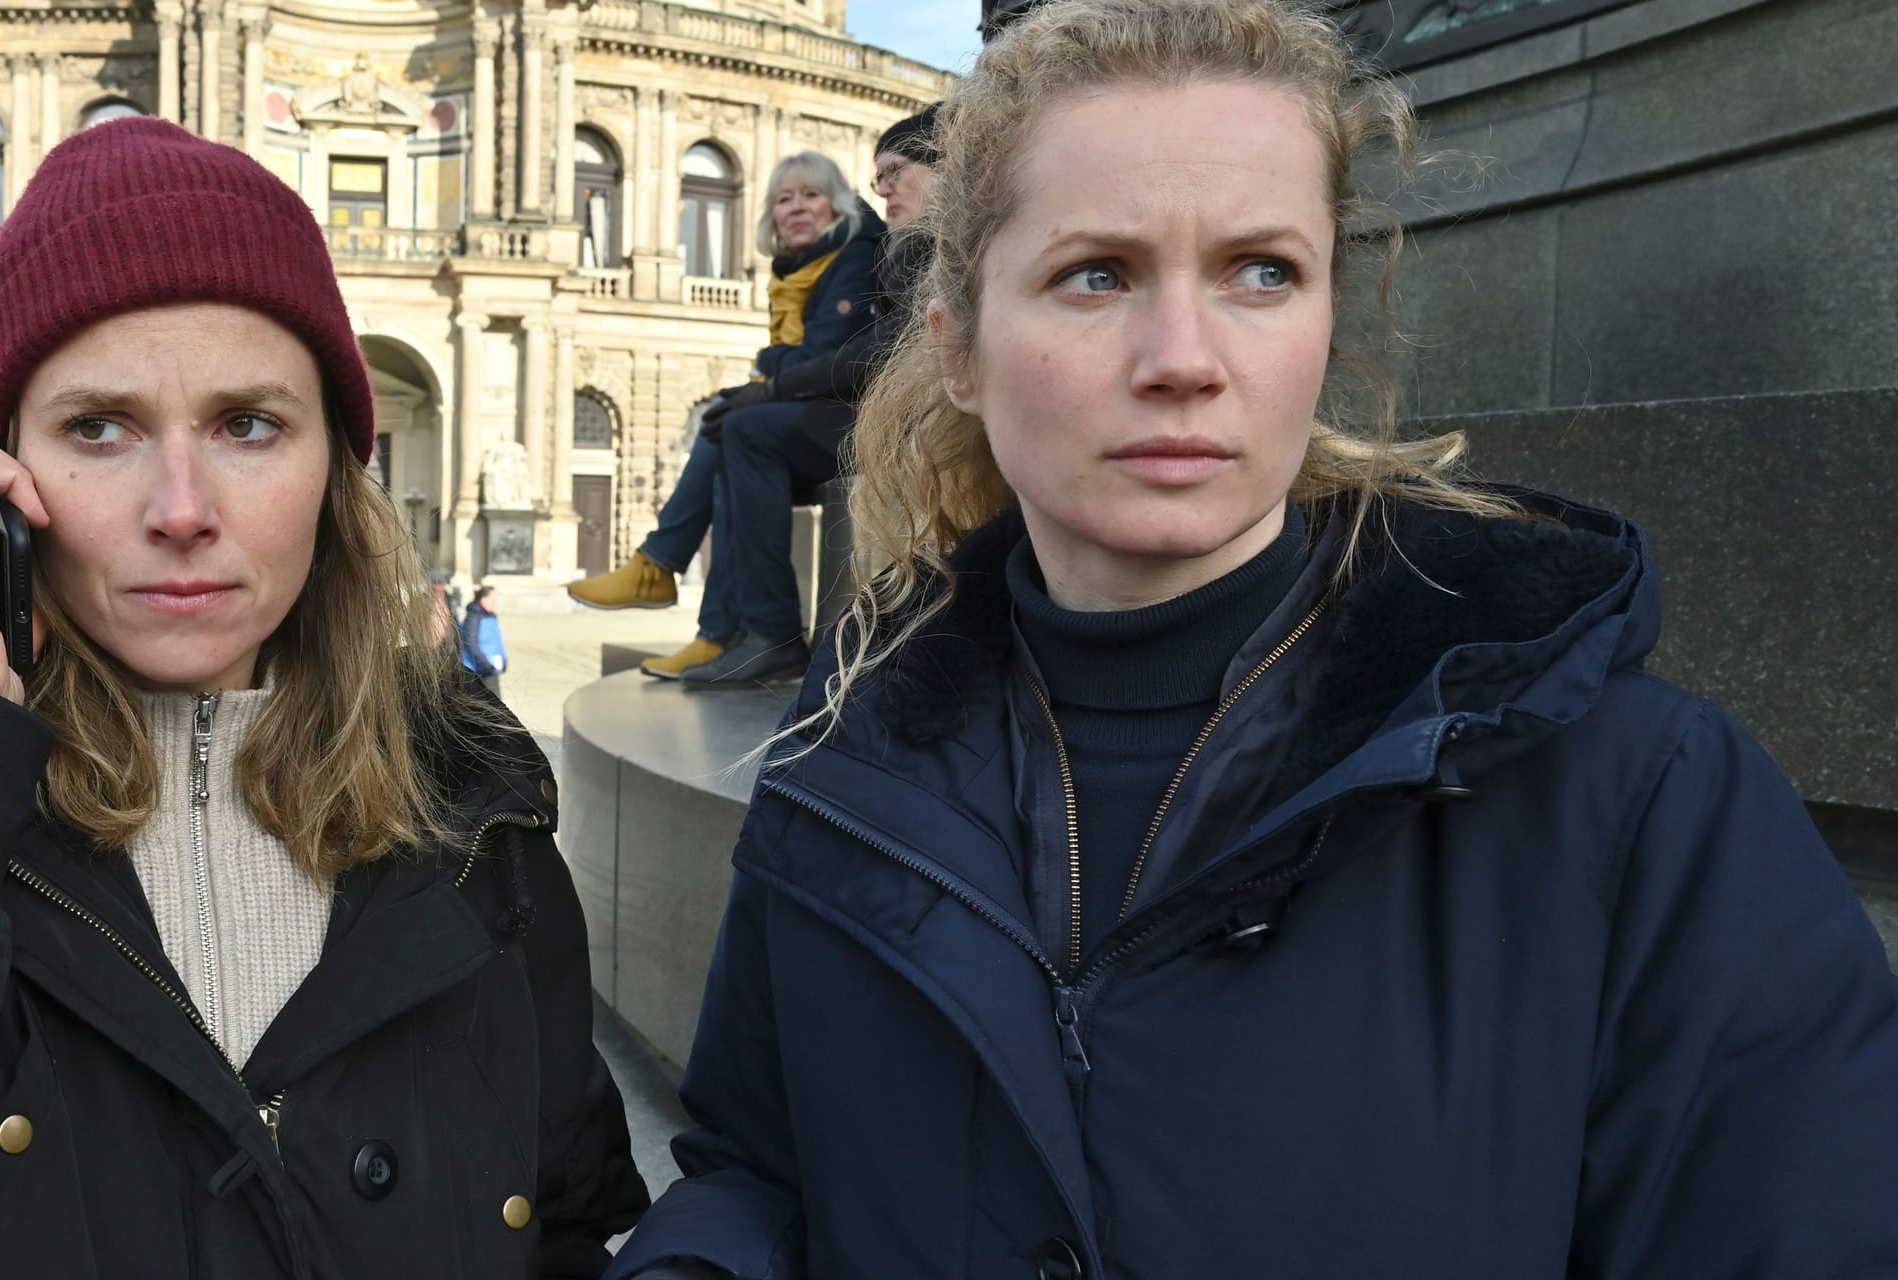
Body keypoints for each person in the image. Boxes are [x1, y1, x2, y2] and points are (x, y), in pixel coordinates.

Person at [609, 2, 1898, 1278]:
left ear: (1329, 320)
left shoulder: (1645, 801)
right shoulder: (843, 755)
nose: (1184, 357)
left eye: (1260, 272)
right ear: (957, 345)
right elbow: (766, 1171)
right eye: (1096, 273)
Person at [0, 118, 648, 1277]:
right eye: (99, 425)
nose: (180, 508)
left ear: (336, 469)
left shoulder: (479, 808)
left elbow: (567, 1222)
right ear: (2, 472)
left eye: (248, 423)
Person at [568, 151, 884, 683]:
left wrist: (768, 366)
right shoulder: (799, 267)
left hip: (856, 418)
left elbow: (827, 356)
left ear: (837, 204)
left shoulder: (852, 255)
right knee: (728, 425)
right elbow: (811, 357)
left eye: (811, 195)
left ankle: (695, 591)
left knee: (738, 426)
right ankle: (712, 632)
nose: (797, 208)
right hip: (824, 411)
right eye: (784, 199)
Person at [677, 106, 941, 687]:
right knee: (737, 430)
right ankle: (725, 620)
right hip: (886, 414)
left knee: (744, 428)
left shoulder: (923, 247)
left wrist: (771, 381)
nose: (884, 189)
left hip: (918, 423)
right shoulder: (901, 247)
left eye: (895, 171)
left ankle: (759, 629)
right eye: (878, 178)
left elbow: (873, 354)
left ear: (940, 166)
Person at [460, 582, 508, 695]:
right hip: (477, 671)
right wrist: (485, 664)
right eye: (493, 598)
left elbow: (497, 641)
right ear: (483, 599)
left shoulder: (492, 616)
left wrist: (504, 660)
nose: (496, 602)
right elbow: (471, 644)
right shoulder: (474, 617)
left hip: (491, 669)